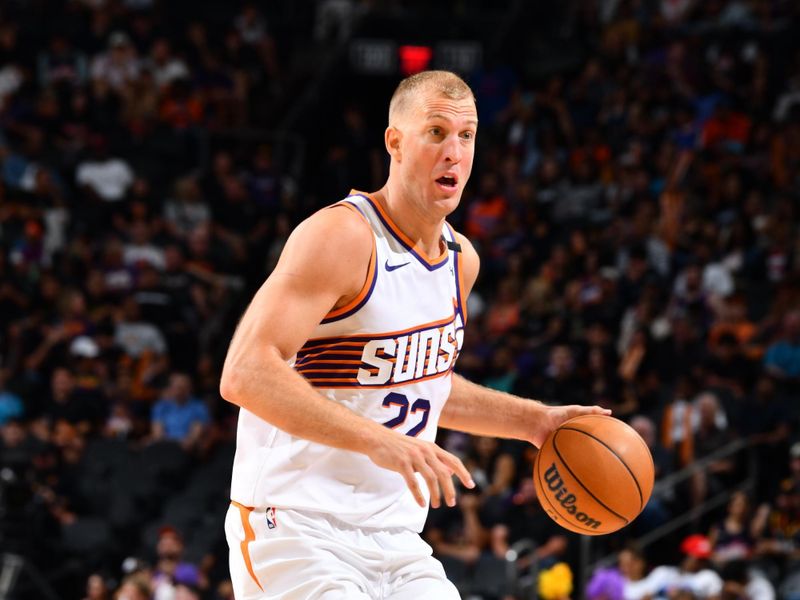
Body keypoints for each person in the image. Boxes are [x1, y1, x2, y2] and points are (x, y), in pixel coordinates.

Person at [220, 70, 608, 599]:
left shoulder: (460, 260)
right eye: (436, 132)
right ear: (395, 142)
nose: (454, 151)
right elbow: (245, 373)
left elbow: (427, 383)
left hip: (397, 540)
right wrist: (379, 441)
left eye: (466, 136)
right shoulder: (342, 236)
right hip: (295, 527)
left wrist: (536, 422)